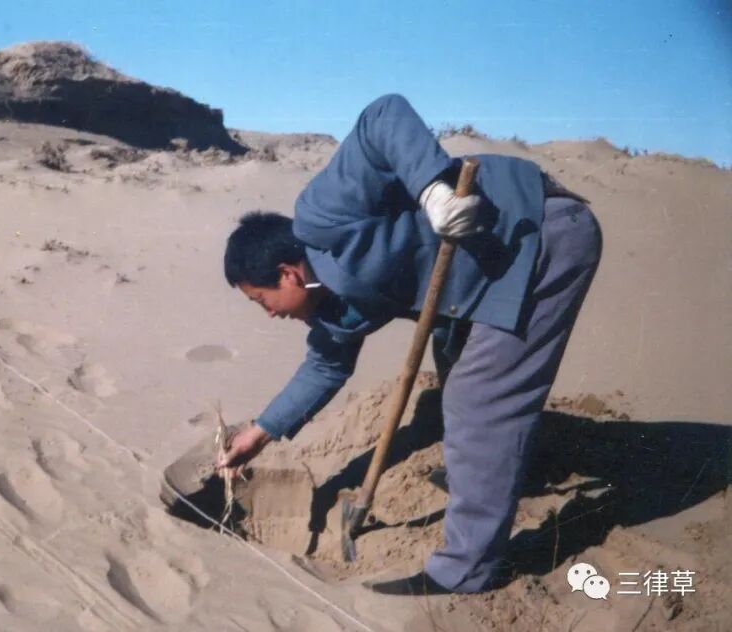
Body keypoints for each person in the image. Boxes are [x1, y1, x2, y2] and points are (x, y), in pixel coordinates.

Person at [218, 94, 601, 595]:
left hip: (536, 236)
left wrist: (434, 193)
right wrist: (260, 433)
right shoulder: (330, 307)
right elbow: (325, 366)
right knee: (453, 361)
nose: (269, 313)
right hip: (480, 281)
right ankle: (494, 475)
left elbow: (383, 117)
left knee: (477, 397)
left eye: (261, 300)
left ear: (287, 274)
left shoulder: (321, 216)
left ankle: (464, 571)